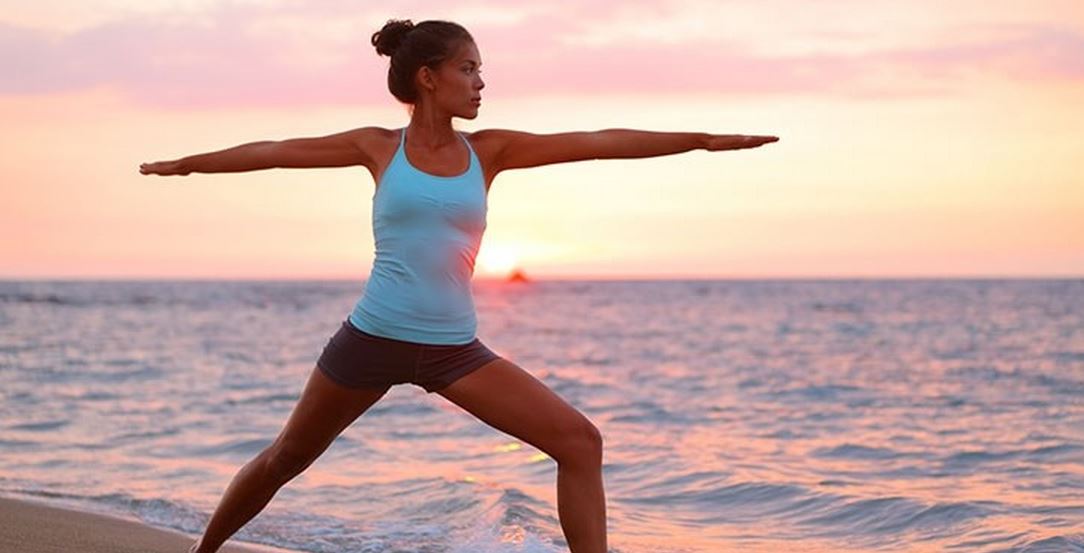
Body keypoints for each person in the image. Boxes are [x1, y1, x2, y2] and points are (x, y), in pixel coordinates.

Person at [140, 18, 778, 553]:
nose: (480, 83)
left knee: (579, 442)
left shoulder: (491, 151)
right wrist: (189, 166)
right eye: (468, 69)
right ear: (428, 77)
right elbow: (276, 150)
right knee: (286, 459)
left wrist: (699, 142)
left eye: (480, 70)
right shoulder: (376, 146)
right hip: (370, 338)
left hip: (453, 349)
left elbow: (594, 142)